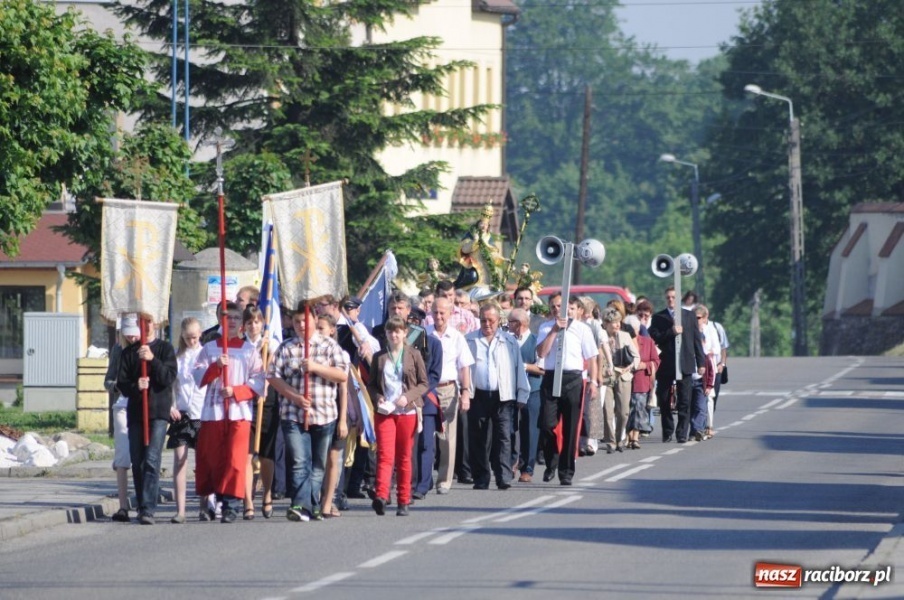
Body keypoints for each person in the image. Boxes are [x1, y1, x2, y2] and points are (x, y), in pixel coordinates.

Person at [268, 305, 349, 522]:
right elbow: (273, 376)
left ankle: (312, 504)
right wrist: (294, 396)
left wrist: (315, 367)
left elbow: (342, 375)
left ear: (314, 319)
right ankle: (299, 504)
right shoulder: (286, 347)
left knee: (318, 464)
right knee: (299, 461)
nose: (301, 325)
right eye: (297, 322)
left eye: (305, 320)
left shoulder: (329, 346)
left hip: (324, 414)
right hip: (293, 414)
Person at [193, 301, 266, 523]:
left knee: (235, 458)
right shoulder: (209, 348)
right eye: (227, 317)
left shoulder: (248, 350)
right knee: (214, 458)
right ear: (219, 320)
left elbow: (259, 381)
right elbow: (197, 377)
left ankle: (231, 505)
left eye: (235, 317)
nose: (231, 322)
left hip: (238, 412)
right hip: (214, 412)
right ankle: (214, 500)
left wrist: (236, 391)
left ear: (241, 322)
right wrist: (215, 367)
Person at [116, 314, 178, 525]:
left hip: (158, 412)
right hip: (136, 413)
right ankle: (142, 503)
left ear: (156, 323)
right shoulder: (129, 353)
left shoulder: (165, 349)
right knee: (138, 460)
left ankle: (148, 509)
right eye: (143, 322)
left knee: (152, 459)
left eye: (149, 321)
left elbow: (168, 377)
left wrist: (153, 360)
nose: (146, 325)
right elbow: (122, 383)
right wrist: (136, 386)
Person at [367, 315, 428, 516]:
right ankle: (381, 495)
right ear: (385, 333)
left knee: (404, 456)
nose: (394, 335)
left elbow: (423, 384)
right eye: (390, 331)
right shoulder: (379, 357)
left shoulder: (413, 354)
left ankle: (403, 499)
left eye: (397, 331)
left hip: (407, 412)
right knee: (385, 455)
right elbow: (372, 385)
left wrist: (407, 397)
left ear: (405, 333)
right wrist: (378, 398)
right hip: (385, 412)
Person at [465, 303, 529, 490]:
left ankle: (503, 476)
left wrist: (522, 394)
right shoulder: (469, 340)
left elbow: (518, 368)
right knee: (479, 437)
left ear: (498, 321)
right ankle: (481, 477)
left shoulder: (508, 341)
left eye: (491, 321)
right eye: (483, 320)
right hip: (478, 394)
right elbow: (464, 368)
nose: (487, 324)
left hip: (503, 395)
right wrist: (464, 392)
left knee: (503, 436)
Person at [536, 294, 599, 485]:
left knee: (571, 428)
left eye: (560, 306)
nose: (557, 309)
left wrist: (593, 382)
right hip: (551, 377)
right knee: (547, 424)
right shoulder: (545, 327)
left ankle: (566, 471)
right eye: (553, 306)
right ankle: (551, 460)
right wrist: (554, 330)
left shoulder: (582, 329)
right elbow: (541, 352)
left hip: (572, 379)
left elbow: (592, 357)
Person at [427, 297, 474, 494]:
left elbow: (464, 367)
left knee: (447, 438)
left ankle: (444, 480)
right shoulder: (423, 334)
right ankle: (423, 479)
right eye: (435, 312)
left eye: (442, 313)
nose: (438, 316)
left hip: (448, 388)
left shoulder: (456, 337)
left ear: (450, 313)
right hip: (427, 389)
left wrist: (465, 393)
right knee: (426, 437)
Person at [649, 286, 706, 444]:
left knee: (684, 400)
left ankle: (682, 433)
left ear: (679, 298)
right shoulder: (658, 317)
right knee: (664, 398)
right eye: (668, 297)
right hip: (666, 363)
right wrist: (671, 332)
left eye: (673, 297)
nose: (670, 300)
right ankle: (667, 431)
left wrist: (701, 362)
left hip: (685, 362)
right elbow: (655, 337)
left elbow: (696, 339)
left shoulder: (689, 316)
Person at [168, 317, 206, 524]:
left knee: (203, 462)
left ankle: (204, 506)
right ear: (182, 336)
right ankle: (180, 510)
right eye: (188, 338)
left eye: (195, 337)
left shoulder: (205, 354)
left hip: (202, 413)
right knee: (180, 460)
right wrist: (171, 406)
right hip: (182, 414)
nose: (191, 341)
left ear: (200, 334)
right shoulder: (177, 356)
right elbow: (171, 386)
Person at [315, 313, 350, 519]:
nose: (318, 332)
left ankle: (329, 501)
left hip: (336, 409)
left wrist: (343, 420)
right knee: (317, 458)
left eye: (321, 328)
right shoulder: (310, 352)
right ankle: (315, 499)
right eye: (316, 328)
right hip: (316, 409)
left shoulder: (340, 354)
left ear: (331, 330)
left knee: (332, 458)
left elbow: (344, 389)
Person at [506, 308, 543, 483]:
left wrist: (523, 366)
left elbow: (542, 369)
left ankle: (528, 467)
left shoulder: (536, 341)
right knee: (509, 429)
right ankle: (511, 463)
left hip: (532, 390)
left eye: (510, 322)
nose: (508, 325)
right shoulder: (507, 340)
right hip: (510, 390)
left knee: (530, 429)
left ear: (519, 324)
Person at [601, 307, 638, 453]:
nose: (617, 325)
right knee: (607, 411)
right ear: (606, 324)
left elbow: (636, 356)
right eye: (613, 322)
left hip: (624, 375)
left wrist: (630, 367)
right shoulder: (600, 336)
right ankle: (610, 442)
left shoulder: (625, 335)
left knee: (623, 412)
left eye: (618, 321)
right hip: (606, 376)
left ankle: (620, 438)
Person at [104, 327, 131, 523]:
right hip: (122, 406)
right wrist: (117, 386)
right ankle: (123, 507)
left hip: (143, 407)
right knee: (122, 456)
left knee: (143, 456)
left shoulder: (149, 348)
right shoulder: (117, 349)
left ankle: (145, 504)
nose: (131, 336)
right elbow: (108, 381)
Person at [626, 317, 659, 449]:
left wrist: (645, 365)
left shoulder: (648, 342)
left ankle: (635, 437)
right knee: (626, 410)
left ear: (638, 329)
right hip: (625, 380)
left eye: (633, 329)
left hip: (641, 381)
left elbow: (656, 361)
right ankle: (628, 436)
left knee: (638, 409)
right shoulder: (622, 342)